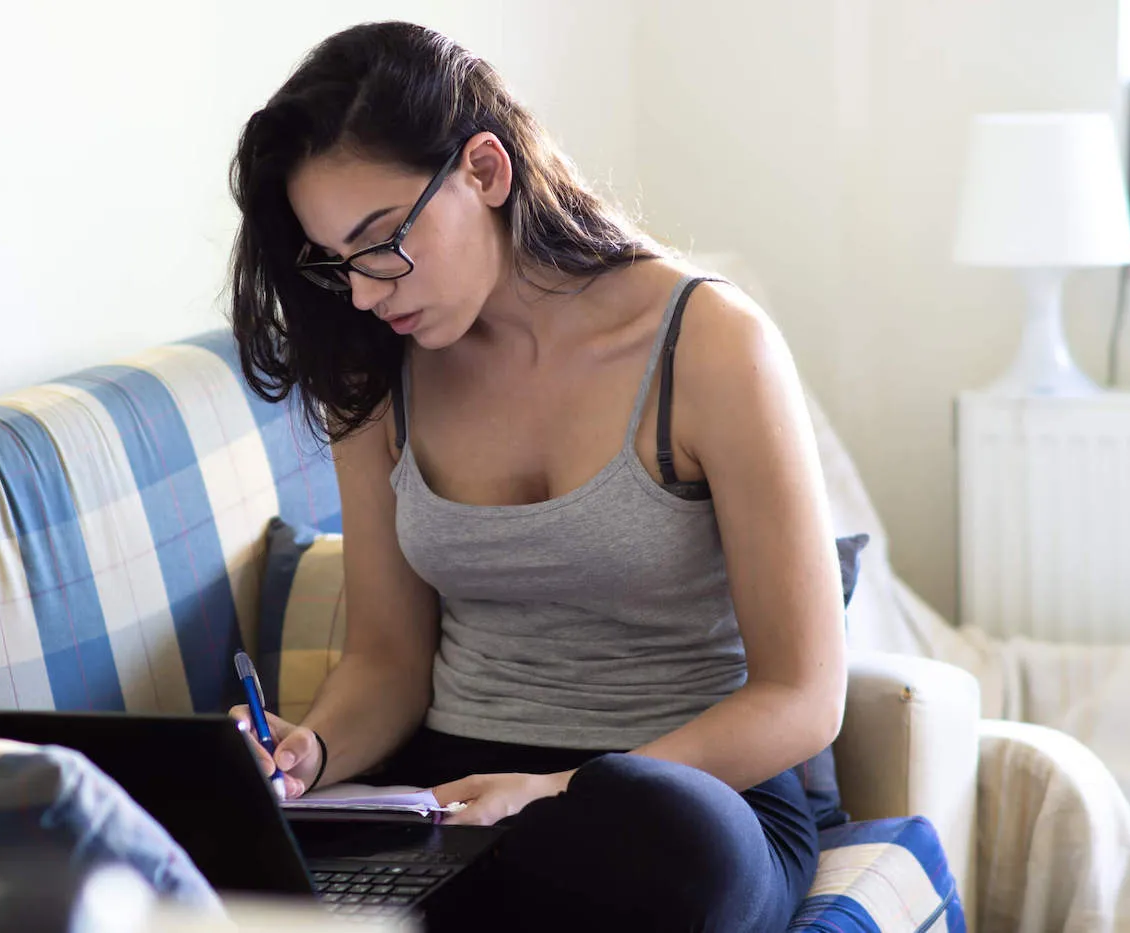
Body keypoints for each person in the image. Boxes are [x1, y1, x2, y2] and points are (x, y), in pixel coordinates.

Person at [226, 20, 848, 932]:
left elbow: (803, 695)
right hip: (458, 791)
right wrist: (312, 753)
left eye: (382, 240)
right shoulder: (374, 368)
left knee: (660, 839)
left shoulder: (709, 345)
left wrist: (557, 789)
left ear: (485, 170)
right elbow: (388, 661)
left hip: (679, 790)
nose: (363, 291)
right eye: (336, 261)